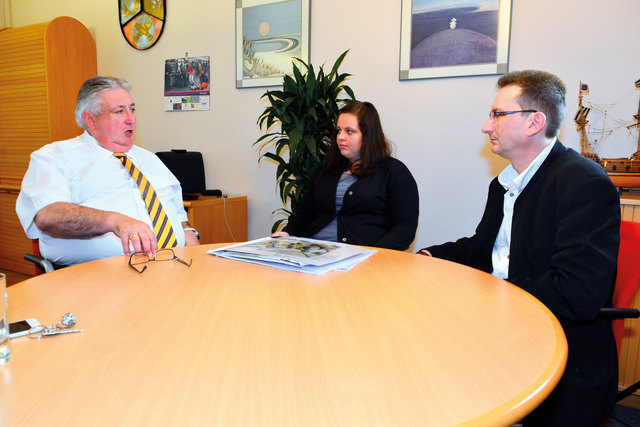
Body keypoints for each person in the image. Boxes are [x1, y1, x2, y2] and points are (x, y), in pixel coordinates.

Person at [418, 70, 620, 426]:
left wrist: (482, 295)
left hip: (558, 352)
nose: (486, 126)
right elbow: (482, 247)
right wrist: (430, 257)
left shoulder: (584, 183)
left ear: (533, 123)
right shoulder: (506, 182)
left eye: (497, 115)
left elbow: (578, 292)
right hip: (501, 328)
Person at [16, 76, 200, 266]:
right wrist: (113, 221)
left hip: (171, 264)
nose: (131, 119)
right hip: (97, 275)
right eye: (119, 111)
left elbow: (177, 212)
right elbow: (48, 215)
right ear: (91, 119)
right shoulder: (54, 157)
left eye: (132, 109)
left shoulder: (150, 159)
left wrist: (187, 231)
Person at [272, 101, 419, 251]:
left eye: (349, 131)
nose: (340, 137)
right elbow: (304, 215)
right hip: (313, 253)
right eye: (339, 130)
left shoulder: (394, 172)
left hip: (364, 259)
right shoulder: (326, 170)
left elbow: (405, 228)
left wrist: (374, 255)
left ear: (368, 135)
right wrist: (287, 233)